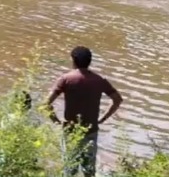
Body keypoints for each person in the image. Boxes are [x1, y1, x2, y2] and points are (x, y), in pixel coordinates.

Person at [46, 46, 123, 177]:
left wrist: (56, 121)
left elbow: (46, 104)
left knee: (69, 169)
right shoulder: (99, 80)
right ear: (90, 61)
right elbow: (117, 100)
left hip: (71, 131)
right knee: (89, 171)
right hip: (91, 130)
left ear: (73, 60)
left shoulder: (66, 79)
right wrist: (102, 119)